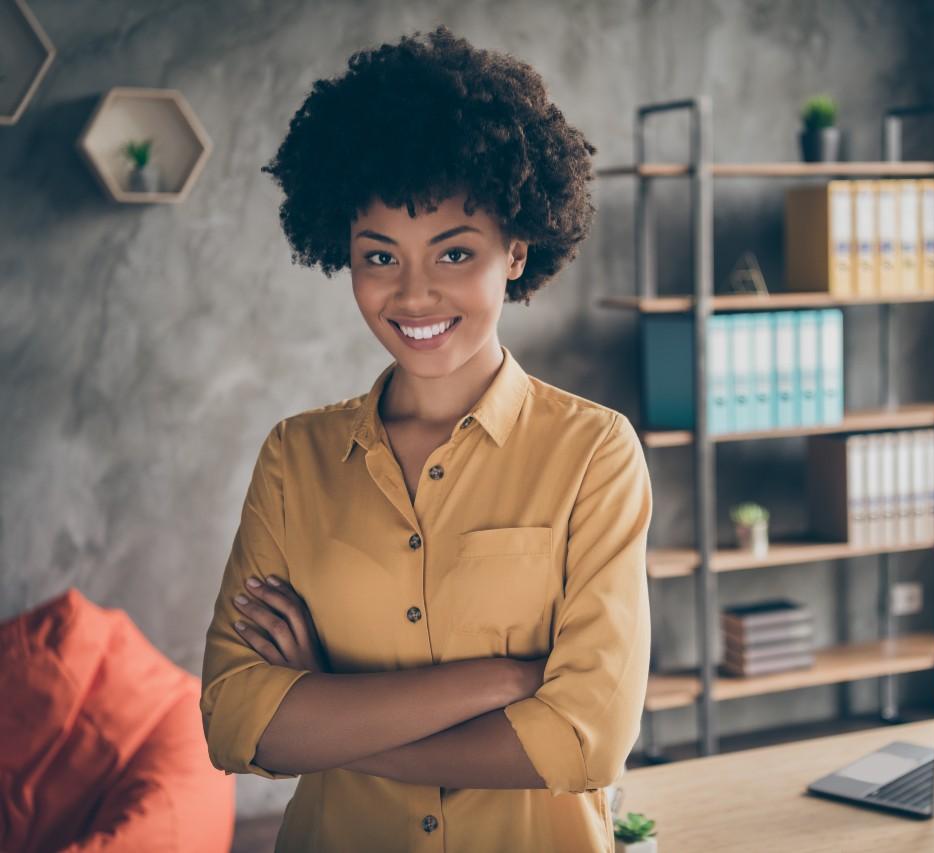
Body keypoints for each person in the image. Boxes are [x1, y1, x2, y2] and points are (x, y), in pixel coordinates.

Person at [199, 25, 653, 853]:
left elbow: (587, 739)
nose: (413, 293)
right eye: (380, 255)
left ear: (516, 251)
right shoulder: (294, 461)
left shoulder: (594, 453)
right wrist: (508, 681)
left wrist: (329, 704)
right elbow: (235, 721)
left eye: (454, 251)